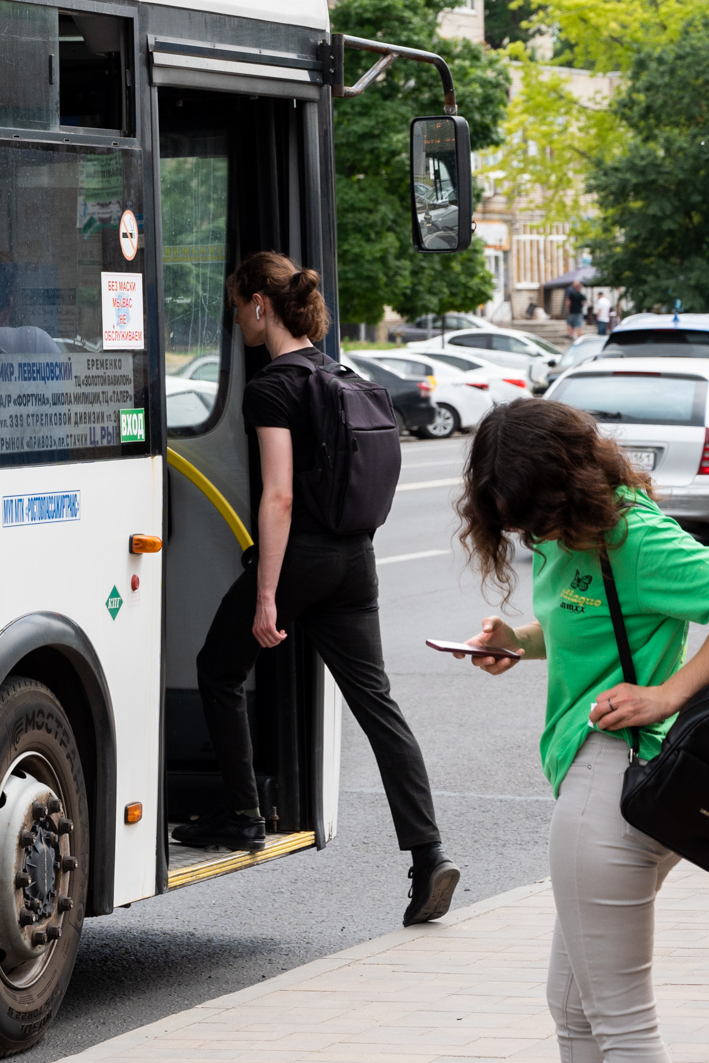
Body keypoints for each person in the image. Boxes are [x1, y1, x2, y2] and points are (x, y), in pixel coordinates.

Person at [450, 399, 709, 1063]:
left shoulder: (631, 536)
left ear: (563, 481)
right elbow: (597, 620)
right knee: (574, 1011)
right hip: (614, 788)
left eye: (530, 512)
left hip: (613, 782)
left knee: (621, 1026)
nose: (524, 529)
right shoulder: (563, 532)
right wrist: (518, 641)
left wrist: (669, 693)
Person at [188, 251, 459, 925]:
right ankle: (429, 854)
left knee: (218, 668)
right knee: (378, 706)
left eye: (236, 305)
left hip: (303, 557)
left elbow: (277, 496)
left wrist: (267, 593)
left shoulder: (272, 386)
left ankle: (245, 813)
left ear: (259, 305)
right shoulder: (344, 374)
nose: (236, 318)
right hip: (355, 559)